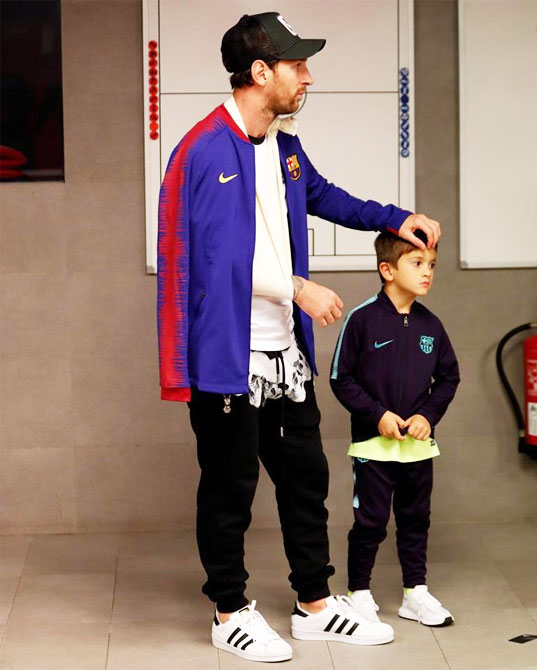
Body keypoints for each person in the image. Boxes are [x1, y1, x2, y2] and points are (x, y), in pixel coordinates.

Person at [157, 11, 442, 663]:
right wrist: (298, 288)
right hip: (227, 356)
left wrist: (398, 217)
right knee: (228, 488)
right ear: (261, 73)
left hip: (281, 353)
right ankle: (230, 611)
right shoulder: (206, 149)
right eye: (297, 65)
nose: (308, 77)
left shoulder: (281, 145)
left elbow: (325, 196)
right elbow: (215, 257)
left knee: (305, 479)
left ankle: (315, 605)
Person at [330, 231, 460, 629]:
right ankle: (359, 593)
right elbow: (341, 377)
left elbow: (449, 378)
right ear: (387, 269)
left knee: (416, 518)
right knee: (370, 520)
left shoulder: (431, 326)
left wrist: (426, 417)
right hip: (374, 444)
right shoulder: (362, 319)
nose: (427, 272)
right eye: (416, 263)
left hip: (418, 449)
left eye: (431, 265)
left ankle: (414, 593)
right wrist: (377, 415)